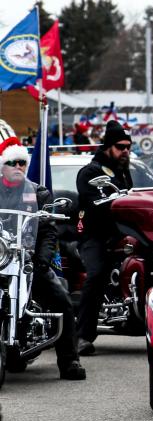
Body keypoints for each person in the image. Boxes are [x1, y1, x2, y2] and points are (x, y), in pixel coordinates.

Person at [0, 124, 85, 379]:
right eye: (12, 162)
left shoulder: (38, 192)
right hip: (2, 257)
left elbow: (48, 231)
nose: (18, 167)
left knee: (61, 299)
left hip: (28, 259)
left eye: (22, 163)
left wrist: (42, 259)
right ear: (3, 164)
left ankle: (69, 361)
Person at [74, 120, 134, 355]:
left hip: (123, 234)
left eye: (129, 146)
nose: (126, 151)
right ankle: (82, 336)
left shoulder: (124, 170)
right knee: (97, 274)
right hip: (95, 235)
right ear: (108, 146)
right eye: (121, 146)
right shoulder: (90, 172)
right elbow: (94, 203)